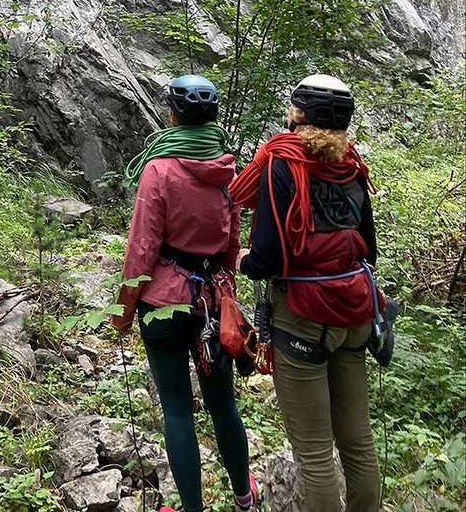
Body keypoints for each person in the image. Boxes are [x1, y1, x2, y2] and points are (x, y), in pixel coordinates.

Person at [232, 74, 382, 512]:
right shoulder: (351, 164)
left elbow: (268, 257)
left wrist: (243, 260)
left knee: (315, 456)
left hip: (302, 317)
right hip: (355, 314)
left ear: (299, 113)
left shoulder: (282, 163)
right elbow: (369, 248)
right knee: (359, 444)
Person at [112, 74, 258, 512]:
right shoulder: (227, 171)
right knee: (223, 405)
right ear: (212, 117)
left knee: (177, 409)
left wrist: (122, 312)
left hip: (164, 304)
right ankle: (244, 496)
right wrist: (225, 290)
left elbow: (142, 248)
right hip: (212, 302)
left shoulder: (158, 170)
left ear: (172, 115)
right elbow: (231, 243)